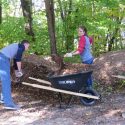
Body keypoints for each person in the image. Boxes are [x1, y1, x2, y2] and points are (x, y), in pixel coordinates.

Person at [0, 40, 30, 110]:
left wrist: (16, 71)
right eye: (28, 46)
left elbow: (15, 59)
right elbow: (18, 60)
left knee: (5, 80)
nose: (27, 49)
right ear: (25, 44)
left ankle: (4, 98)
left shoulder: (16, 47)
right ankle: (9, 104)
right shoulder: (21, 46)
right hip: (3, 59)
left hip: (2, 58)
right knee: (6, 81)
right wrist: (20, 71)